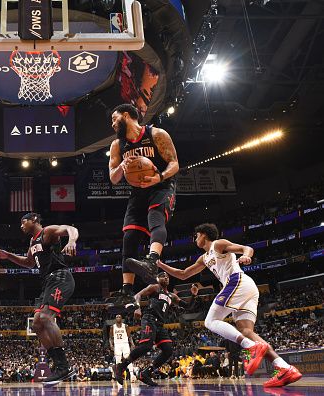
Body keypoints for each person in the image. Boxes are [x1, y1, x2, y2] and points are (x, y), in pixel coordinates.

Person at [157, 223, 303, 387]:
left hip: (236, 281)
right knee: (246, 331)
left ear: (204, 234)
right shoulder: (204, 258)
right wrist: (161, 265)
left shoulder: (217, 244)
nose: (195, 239)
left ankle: (249, 347)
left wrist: (247, 256)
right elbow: (183, 275)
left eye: (196, 235)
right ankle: (284, 367)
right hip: (246, 288)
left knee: (210, 321)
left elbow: (246, 248)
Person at [0, 213, 78, 386]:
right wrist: (7, 255)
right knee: (37, 324)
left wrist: (71, 241)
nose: (21, 226)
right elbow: (29, 263)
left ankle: (63, 367)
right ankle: (60, 367)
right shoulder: (32, 242)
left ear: (35, 220)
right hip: (48, 282)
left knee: (45, 317)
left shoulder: (47, 232)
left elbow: (70, 228)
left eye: (23, 222)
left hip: (60, 277)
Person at [108, 104, 180, 313]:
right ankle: (127, 291)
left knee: (155, 217)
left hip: (161, 185)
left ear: (127, 115)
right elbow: (113, 179)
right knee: (129, 237)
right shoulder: (117, 145)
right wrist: (122, 167)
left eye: (115, 119)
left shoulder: (156, 134)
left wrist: (158, 177)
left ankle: (152, 260)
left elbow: (174, 163)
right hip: (137, 192)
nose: (113, 124)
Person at [116, 272, 198, 387]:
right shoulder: (154, 287)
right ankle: (122, 366)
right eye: (162, 276)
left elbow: (187, 306)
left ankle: (145, 373)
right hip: (149, 318)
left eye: (167, 276)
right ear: (157, 278)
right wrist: (137, 308)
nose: (166, 277)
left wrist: (193, 295)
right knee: (146, 346)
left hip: (160, 324)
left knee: (168, 350)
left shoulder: (171, 296)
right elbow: (138, 295)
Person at [109, 314, 134, 386]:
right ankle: (119, 376)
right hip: (117, 344)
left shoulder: (125, 326)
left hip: (125, 343)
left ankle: (132, 375)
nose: (118, 318)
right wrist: (111, 345)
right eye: (117, 317)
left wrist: (132, 344)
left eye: (119, 317)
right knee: (118, 360)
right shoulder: (112, 327)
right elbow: (110, 338)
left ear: (121, 318)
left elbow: (129, 336)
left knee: (128, 358)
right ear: (115, 319)